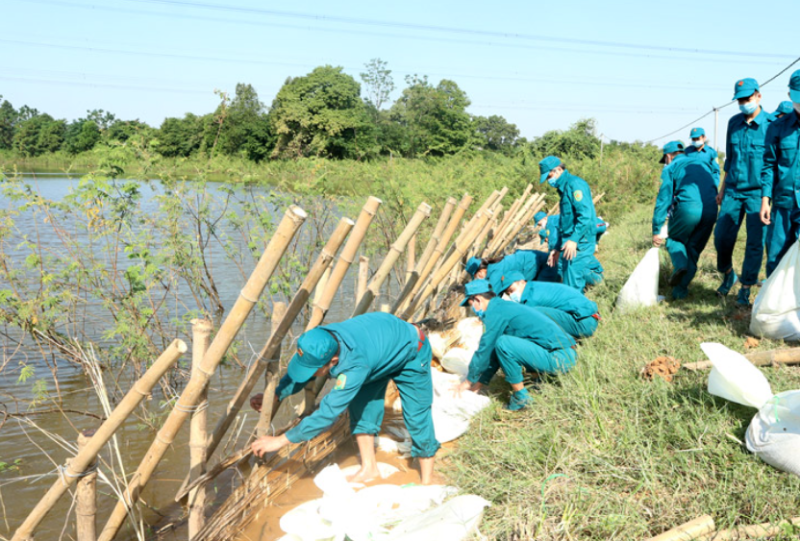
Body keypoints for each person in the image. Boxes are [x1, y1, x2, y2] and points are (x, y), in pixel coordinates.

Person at [249, 312, 439, 484]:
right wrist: (276, 394)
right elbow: (306, 368)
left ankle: (427, 478)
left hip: (412, 351)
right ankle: (369, 469)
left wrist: (281, 440)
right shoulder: (320, 340)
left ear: (333, 362)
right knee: (362, 408)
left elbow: (327, 414)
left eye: (315, 370)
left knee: (416, 416)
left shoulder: (354, 366)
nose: (311, 374)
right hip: (378, 352)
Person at [453, 279, 576, 411]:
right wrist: (477, 386)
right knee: (503, 343)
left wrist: (467, 382)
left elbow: (486, 349)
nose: (473, 309)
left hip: (559, 358)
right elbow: (494, 354)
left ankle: (521, 398)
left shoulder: (495, 312)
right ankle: (539, 381)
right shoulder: (502, 307)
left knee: (504, 343)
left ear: (478, 299)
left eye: (471, 305)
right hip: (564, 354)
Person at [714, 78, 770, 306]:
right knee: (721, 237)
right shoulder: (733, 123)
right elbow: (730, 159)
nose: (743, 103)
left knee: (755, 242)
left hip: (758, 193)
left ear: (758, 96)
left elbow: (772, 164)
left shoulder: (771, 125)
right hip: (734, 191)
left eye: (747, 99)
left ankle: (746, 287)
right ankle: (728, 274)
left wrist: (768, 197)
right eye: (740, 100)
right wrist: (722, 188)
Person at [652, 141, 718, 299]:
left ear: (668, 156)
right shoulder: (702, 164)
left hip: (689, 208)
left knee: (674, 239)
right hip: (712, 208)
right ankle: (679, 292)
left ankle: (680, 266)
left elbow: (663, 200)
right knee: (693, 250)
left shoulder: (670, 168)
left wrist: (656, 229)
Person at [539, 155, 603, 291]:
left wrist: (574, 239)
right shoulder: (564, 189)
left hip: (581, 241)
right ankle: (574, 310)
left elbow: (585, 216)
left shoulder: (575, 185)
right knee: (568, 281)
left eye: (549, 177)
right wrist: (556, 248)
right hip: (570, 242)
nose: (549, 181)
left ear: (557, 170)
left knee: (573, 282)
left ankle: (580, 311)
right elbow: (565, 224)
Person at [760, 71, 800, 277]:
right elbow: (769, 164)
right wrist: (765, 200)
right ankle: (773, 306)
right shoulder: (777, 127)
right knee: (776, 257)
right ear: (790, 95)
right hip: (783, 203)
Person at [493, 270, 600, 338]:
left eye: (511, 290)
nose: (511, 295)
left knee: (533, 316)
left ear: (521, 282)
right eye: (508, 293)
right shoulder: (535, 287)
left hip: (584, 323)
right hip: (589, 317)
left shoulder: (531, 298)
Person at [465, 249, 559, 284]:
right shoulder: (493, 266)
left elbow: (493, 298)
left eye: (477, 276)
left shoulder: (494, 271)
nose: (479, 278)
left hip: (542, 263)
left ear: (480, 272)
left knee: (536, 296)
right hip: (540, 262)